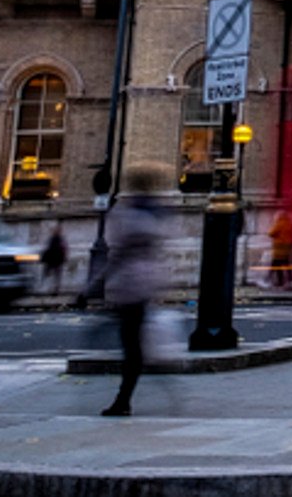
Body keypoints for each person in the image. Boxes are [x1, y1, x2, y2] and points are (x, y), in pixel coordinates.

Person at [99, 165, 169, 418]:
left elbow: (118, 254)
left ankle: (123, 399)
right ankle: (126, 396)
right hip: (145, 283)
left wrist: (96, 283)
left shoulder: (129, 214)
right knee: (133, 343)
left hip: (128, 285)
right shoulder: (155, 212)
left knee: (130, 345)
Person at [40, 224, 69, 294]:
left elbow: (64, 249)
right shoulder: (56, 239)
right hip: (54, 260)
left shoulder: (58, 239)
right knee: (53, 275)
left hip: (55, 260)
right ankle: (52, 289)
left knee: (54, 275)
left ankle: (53, 289)